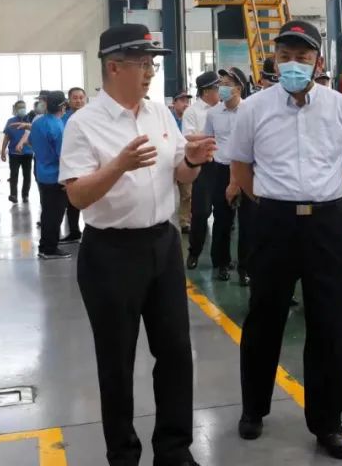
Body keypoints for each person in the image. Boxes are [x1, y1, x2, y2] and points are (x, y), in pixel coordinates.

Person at [60, 23, 214, 466]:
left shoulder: (160, 114)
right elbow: (77, 195)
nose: (149, 73)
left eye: (152, 64)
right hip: (110, 254)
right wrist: (118, 166)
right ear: (114, 67)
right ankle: (123, 455)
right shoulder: (84, 124)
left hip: (162, 246)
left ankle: (174, 450)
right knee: (116, 361)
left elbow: (179, 172)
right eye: (142, 64)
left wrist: (192, 161)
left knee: (175, 352)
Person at [226, 20, 342, 460]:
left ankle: (328, 422)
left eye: (302, 58)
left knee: (328, 321)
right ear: (274, 59)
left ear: (317, 62)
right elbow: (240, 166)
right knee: (264, 316)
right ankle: (254, 408)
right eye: (285, 56)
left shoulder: (340, 107)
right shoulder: (254, 108)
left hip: (326, 223)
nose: (292, 64)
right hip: (273, 222)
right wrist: (270, 202)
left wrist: (330, 198)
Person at [202, 67, 254, 284]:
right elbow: (208, 139)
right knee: (222, 219)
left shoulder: (250, 110)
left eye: (227, 84)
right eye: (220, 84)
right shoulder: (213, 113)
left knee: (248, 221)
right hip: (221, 170)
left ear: (238, 88)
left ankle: (245, 268)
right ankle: (222, 263)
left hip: (247, 170)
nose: (221, 88)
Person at [185, 71, 222, 269]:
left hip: (223, 164)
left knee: (223, 213)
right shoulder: (193, 112)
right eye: (217, 88)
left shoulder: (225, 108)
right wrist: (211, 136)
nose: (221, 91)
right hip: (204, 166)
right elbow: (188, 136)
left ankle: (220, 259)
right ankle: (194, 252)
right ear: (206, 91)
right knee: (201, 211)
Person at [28, 91, 70, 259]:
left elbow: (31, 142)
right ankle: (50, 249)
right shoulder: (58, 126)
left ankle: (44, 245)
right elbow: (63, 155)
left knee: (47, 212)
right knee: (55, 214)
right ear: (63, 106)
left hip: (42, 172)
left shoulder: (38, 122)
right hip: (56, 176)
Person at [61, 87, 87, 243]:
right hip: (73, 166)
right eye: (75, 98)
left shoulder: (93, 117)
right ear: (69, 100)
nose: (78, 101)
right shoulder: (64, 119)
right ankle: (74, 231)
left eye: (81, 98)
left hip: (90, 164)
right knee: (72, 202)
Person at [1, 100, 34, 204]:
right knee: (14, 175)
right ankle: (13, 195)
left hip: (28, 153)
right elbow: (6, 137)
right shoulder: (10, 121)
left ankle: (25, 195)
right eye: (19, 107)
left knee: (27, 176)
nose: (22, 109)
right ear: (15, 109)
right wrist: (3, 151)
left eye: (23, 107)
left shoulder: (30, 120)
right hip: (14, 153)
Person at [171, 91, 194, 233]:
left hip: (185, 160)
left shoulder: (190, 118)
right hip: (168, 160)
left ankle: (184, 221)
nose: (186, 104)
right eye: (182, 100)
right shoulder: (167, 118)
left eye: (187, 101)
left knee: (186, 193)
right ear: (174, 102)